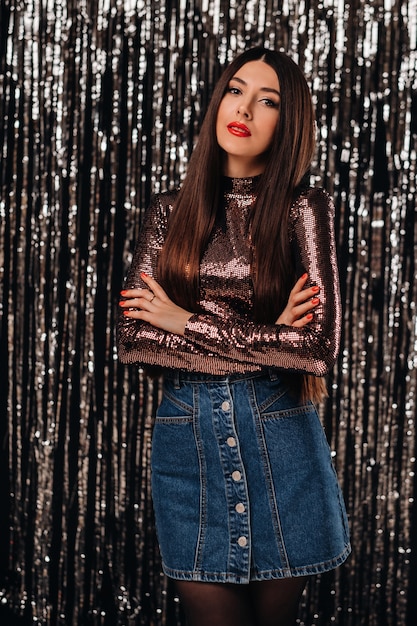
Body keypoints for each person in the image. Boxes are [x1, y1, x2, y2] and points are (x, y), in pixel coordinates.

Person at [117, 46, 350, 626]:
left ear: (287, 121)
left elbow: (319, 349)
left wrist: (183, 321)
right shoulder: (170, 212)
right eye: (235, 89)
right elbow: (133, 336)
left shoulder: (303, 209)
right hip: (186, 439)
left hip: (282, 438)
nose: (243, 107)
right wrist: (269, 337)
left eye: (267, 100)